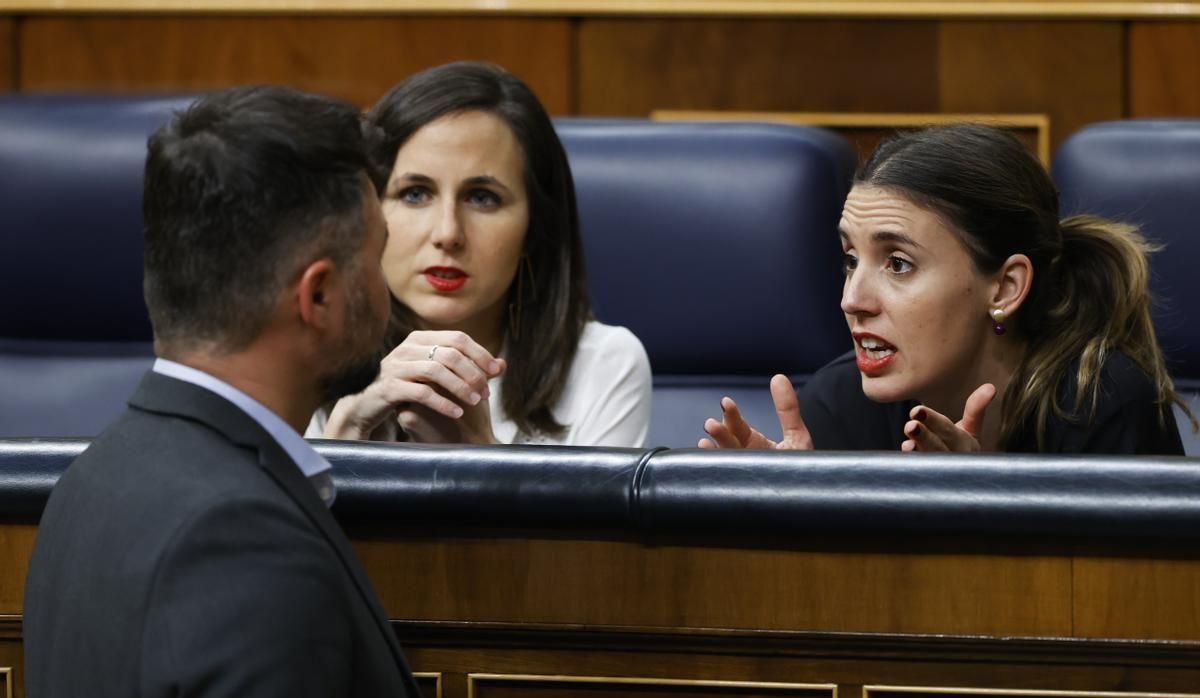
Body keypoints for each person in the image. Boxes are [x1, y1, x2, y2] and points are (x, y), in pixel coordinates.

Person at [23, 86, 446, 698]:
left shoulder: (88, 483)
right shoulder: (248, 547)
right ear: (316, 296)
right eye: (375, 258)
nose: (386, 288)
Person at [701, 124, 1191, 455]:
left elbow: (1121, 604)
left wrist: (977, 510)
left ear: (1004, 287)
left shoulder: (1102, 403)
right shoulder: (839, 404)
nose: (852, 300)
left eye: (897, 263)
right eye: (851, 260)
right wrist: (783, 526)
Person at [308, 62, 652, 446]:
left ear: (535, 229)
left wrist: (479, 450)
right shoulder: (317, 347)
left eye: (482, 198)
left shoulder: (602, 364)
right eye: (415, 193)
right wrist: (345, 432)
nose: (448, 234)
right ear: (369, 216)